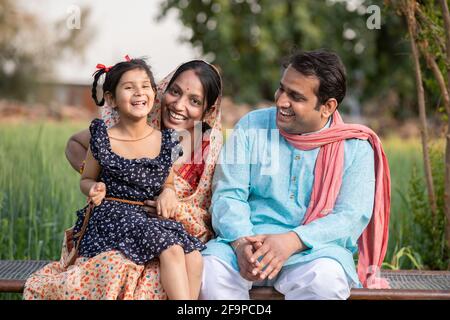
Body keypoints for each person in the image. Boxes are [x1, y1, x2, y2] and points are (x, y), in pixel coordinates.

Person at [24, 59, 223, 300]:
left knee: (191, 259)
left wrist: (171, 200)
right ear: (163, 90)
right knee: (144, 271)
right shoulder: (135, 120)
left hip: (171, 229)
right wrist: (105, 181)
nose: (179, 105)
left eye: (194, 101)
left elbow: (206, 206)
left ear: (207, 110)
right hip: (122, 226)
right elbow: (75, 145)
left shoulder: (206, 146)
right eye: (175, 92)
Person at [200, 49, 391, 300]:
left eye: (296, 96)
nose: (281, 101)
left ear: (327, 107)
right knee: (210, 272)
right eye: (282, 89)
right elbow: (228, 194)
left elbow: (350, 216)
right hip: (247, 245)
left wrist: (292, 241)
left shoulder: (355, 147)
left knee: (325, 282)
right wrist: (241, 242)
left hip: (313, 252)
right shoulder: (252, 126)